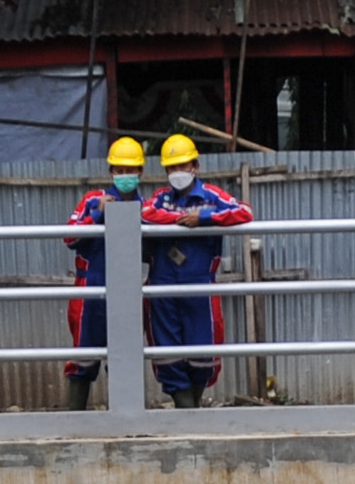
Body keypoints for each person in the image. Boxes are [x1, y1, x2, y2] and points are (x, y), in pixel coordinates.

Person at [145, 134, 254, 407]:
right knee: (167, 353)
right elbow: (144, 213)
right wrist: (180, 222)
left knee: (203, 354)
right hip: (163, 284)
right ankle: (185, 410)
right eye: (171, 168)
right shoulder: (161, 198)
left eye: (183, 166)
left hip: (200, 284)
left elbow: (244, 213)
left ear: (195, 166)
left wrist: (204, 218)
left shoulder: (212, 196)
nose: (177, 172)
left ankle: (192, 411)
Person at [64, 137, 162, 409]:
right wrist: (98, 215)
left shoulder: (148, 209)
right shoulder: (92, 200)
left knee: (124, 356)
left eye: (130, 170)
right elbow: (69, 238)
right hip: (90, 290)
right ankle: (74, 422)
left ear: (140, 172)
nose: (124, 176)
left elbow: (155, 249)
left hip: (128, 291)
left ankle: (123, 419)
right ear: (110, 172)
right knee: (84, 357)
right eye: (119, 170)